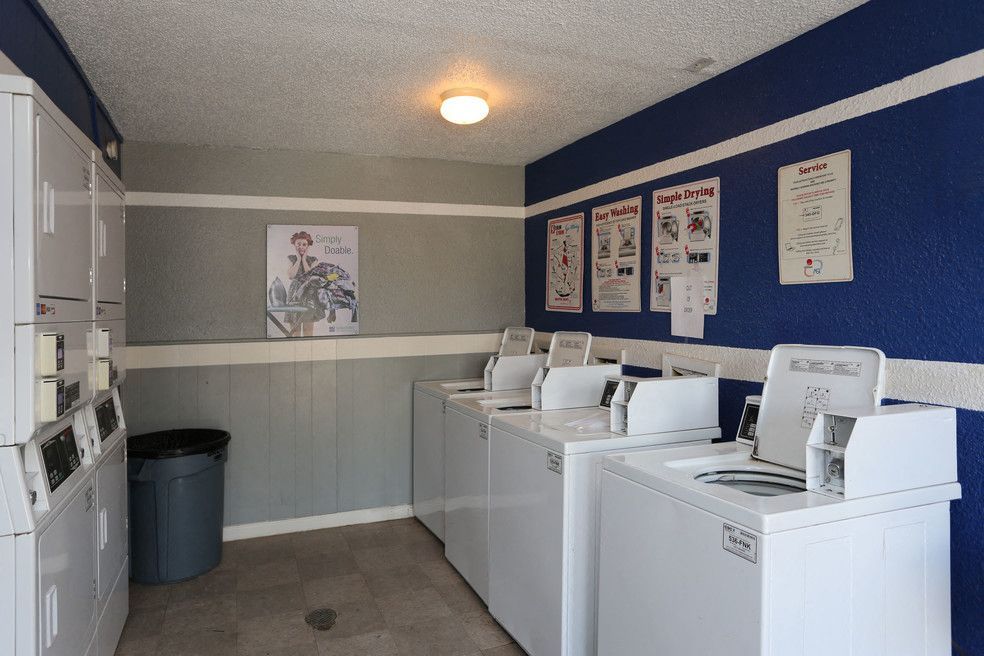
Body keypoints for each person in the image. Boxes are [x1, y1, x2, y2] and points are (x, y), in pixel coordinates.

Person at [287, 231, 319, 336]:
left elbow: (309, 277)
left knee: (308, 331)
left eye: (304, 244)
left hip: (309, 294)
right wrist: (298, 259)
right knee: (295, 331)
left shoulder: (313, 260)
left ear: (308, 246)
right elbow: (291, 275)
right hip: (294, 295)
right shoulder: (291, 258)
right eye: (298, 244)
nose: (301, 247)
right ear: (294, 245)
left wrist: (304, 259)